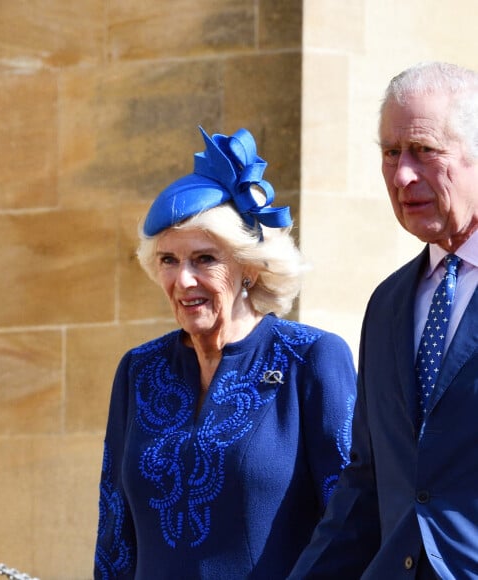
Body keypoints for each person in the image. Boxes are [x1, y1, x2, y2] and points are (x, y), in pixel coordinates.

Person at [93, 127, 357, 579]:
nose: (184, 281)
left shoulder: (310, 359)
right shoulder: (139, 370)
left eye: (204, 259)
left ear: (249, 267)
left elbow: (351, 524)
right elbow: (114, 535)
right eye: (169, 261)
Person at [289, 61, 478, 579]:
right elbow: (367, 483)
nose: (402, 175)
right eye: (391, 153)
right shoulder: (389, 303)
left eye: (424, 150)